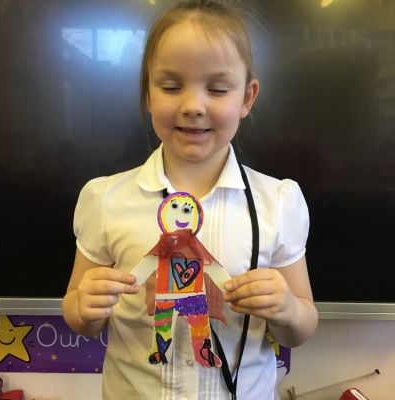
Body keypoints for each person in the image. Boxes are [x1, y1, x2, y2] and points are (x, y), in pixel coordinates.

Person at [62, 1, 318, 399]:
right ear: (148, 94)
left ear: (247, 97)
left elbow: (301, 327)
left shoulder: (278, 203)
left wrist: (287, 309)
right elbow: (78, 313)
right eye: (170, 86)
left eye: (217, 89)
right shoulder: (106, 199)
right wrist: (84, 308)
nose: (193, 106)